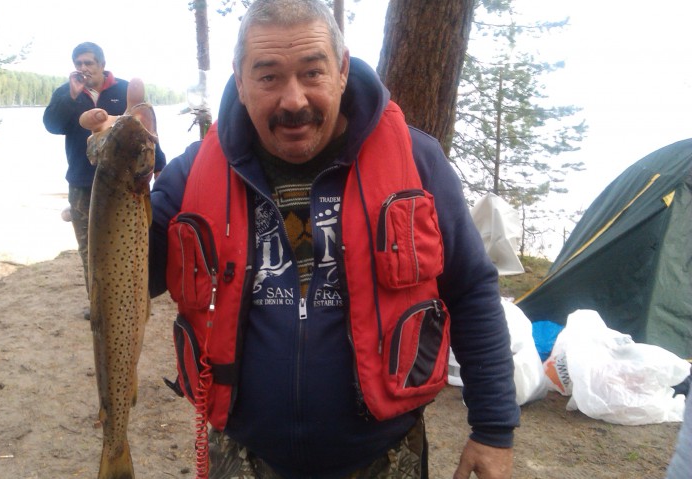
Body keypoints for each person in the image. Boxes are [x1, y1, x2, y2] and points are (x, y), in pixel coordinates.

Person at [82, 1, 519, 477]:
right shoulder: (193, 173)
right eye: (268, 77)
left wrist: (493, 428)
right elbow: (131, 281)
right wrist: (115, 177)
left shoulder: (417, 160)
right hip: (246, 455)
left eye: (312, 72)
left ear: (342, 70)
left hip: (385, 455)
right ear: (240, 81)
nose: (293, 100)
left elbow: (471, 289)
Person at [43, 42, 166, 319]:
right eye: (78, 63)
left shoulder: (123, 89)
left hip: (122, 184)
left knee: (131, 244)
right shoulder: (66, 93)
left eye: (88, 63)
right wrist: (71, 96)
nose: (83, 68)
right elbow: (52, 125)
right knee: (90, 248)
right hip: (81, 183)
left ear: (101, 64)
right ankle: (98, 304)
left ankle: (136, 298)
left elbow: (146, 132)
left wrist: (160, 166)